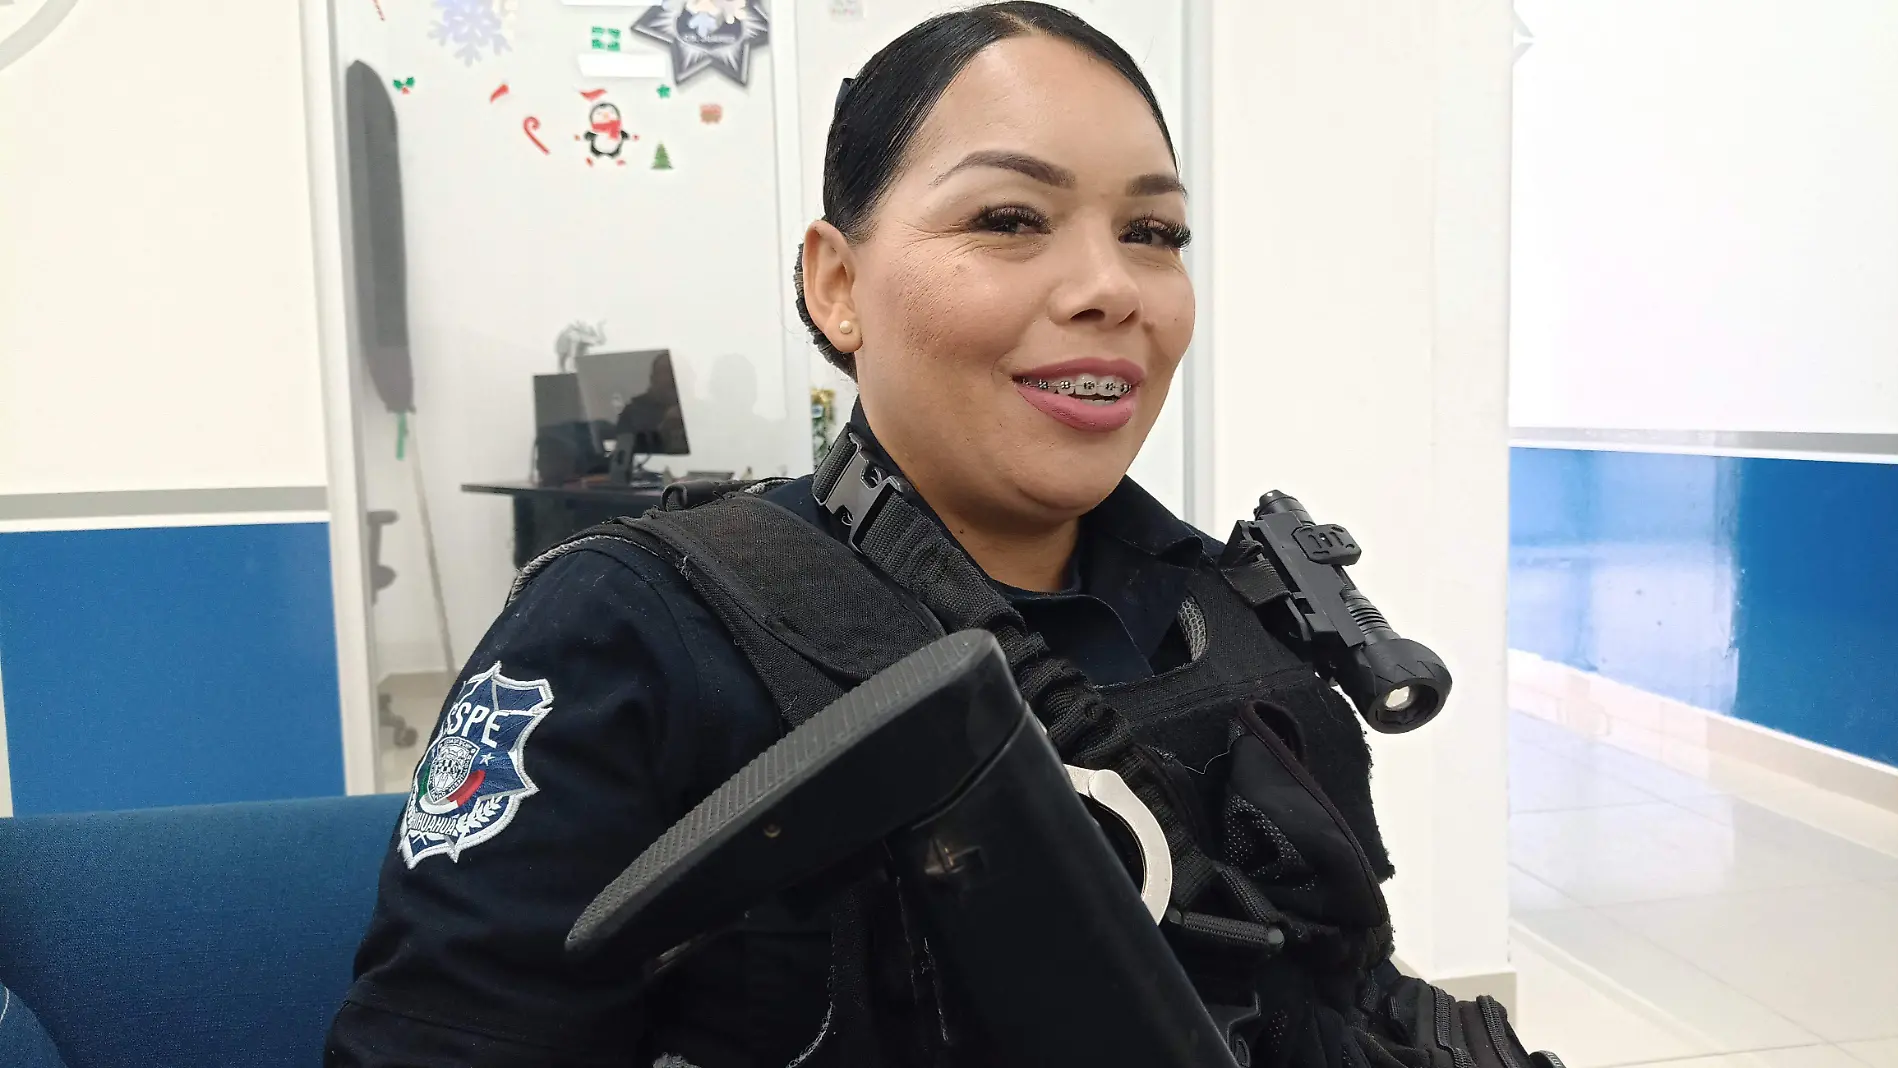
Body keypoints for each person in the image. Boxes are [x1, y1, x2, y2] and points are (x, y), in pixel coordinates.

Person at [326, 5, 1558, 1067]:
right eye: (1011, 218)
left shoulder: (1228, 612)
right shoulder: (631, 634)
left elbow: (1333, 991)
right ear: (837, 285)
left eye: (1153, 233)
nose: (1111, 287)